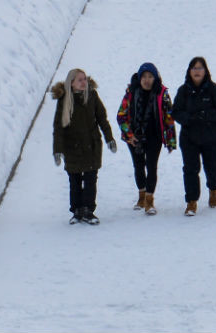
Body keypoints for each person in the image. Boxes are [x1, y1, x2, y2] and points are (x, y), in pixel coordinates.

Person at [51, 67, 115, 225]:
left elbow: (102, 118)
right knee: (75, 180)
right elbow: (58, 127)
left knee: (91, 179)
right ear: (71, 83)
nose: (83, 82)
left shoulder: (92, 96)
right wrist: (57, 150)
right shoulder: (64, 100)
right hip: (72, 147)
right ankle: (77, 210)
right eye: (80, 80)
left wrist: (109, 138)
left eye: (85, 79)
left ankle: (88, 210)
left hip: (91, 145)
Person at [117, 61, 177, 215]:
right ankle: (141, 195)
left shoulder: (162, 94)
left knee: (151, 167)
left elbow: (169, 118)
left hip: (154, 137)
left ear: (155, 78)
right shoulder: (131, 92)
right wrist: (129, 135)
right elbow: (121, 115)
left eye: (150, 76)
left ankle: (149, 200)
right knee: (138, 166)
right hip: (134, 137)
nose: (147, 80)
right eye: (144, 76)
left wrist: (170, 140)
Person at [172, 56, 216, 216]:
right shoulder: (183, 91)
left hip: (212, 137)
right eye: (194, 68)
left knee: (213, 167)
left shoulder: (214, 89)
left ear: (206, 71)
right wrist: (188, 119)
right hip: (189, 137)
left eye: (200, 68)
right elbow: (175, 111)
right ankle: (191, 201)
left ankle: (213, 189)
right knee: (190, 169)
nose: (197, 71)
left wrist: (205, 115)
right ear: (189, 71)